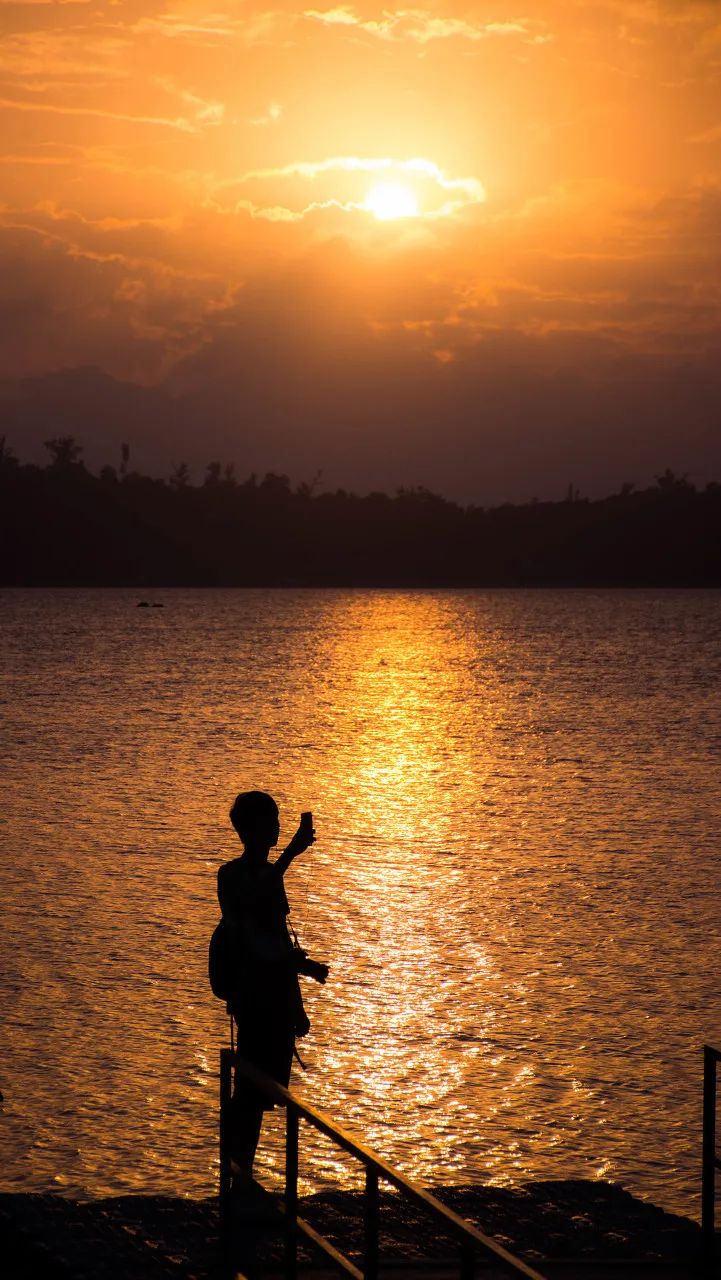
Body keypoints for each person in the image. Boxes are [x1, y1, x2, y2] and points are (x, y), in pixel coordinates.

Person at [218, 790, 329, 1182]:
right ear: (250, 830)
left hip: (276, 998)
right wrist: (289, 857)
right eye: (271, 822)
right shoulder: (231, 876)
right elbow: (252, 918)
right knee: (250, 1091)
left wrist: (298, 999)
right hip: (254, 999)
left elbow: (277, 942)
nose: (278, 830)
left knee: (262, 1093)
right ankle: (237, 1171)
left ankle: (240, 1172)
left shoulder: (265, 876)